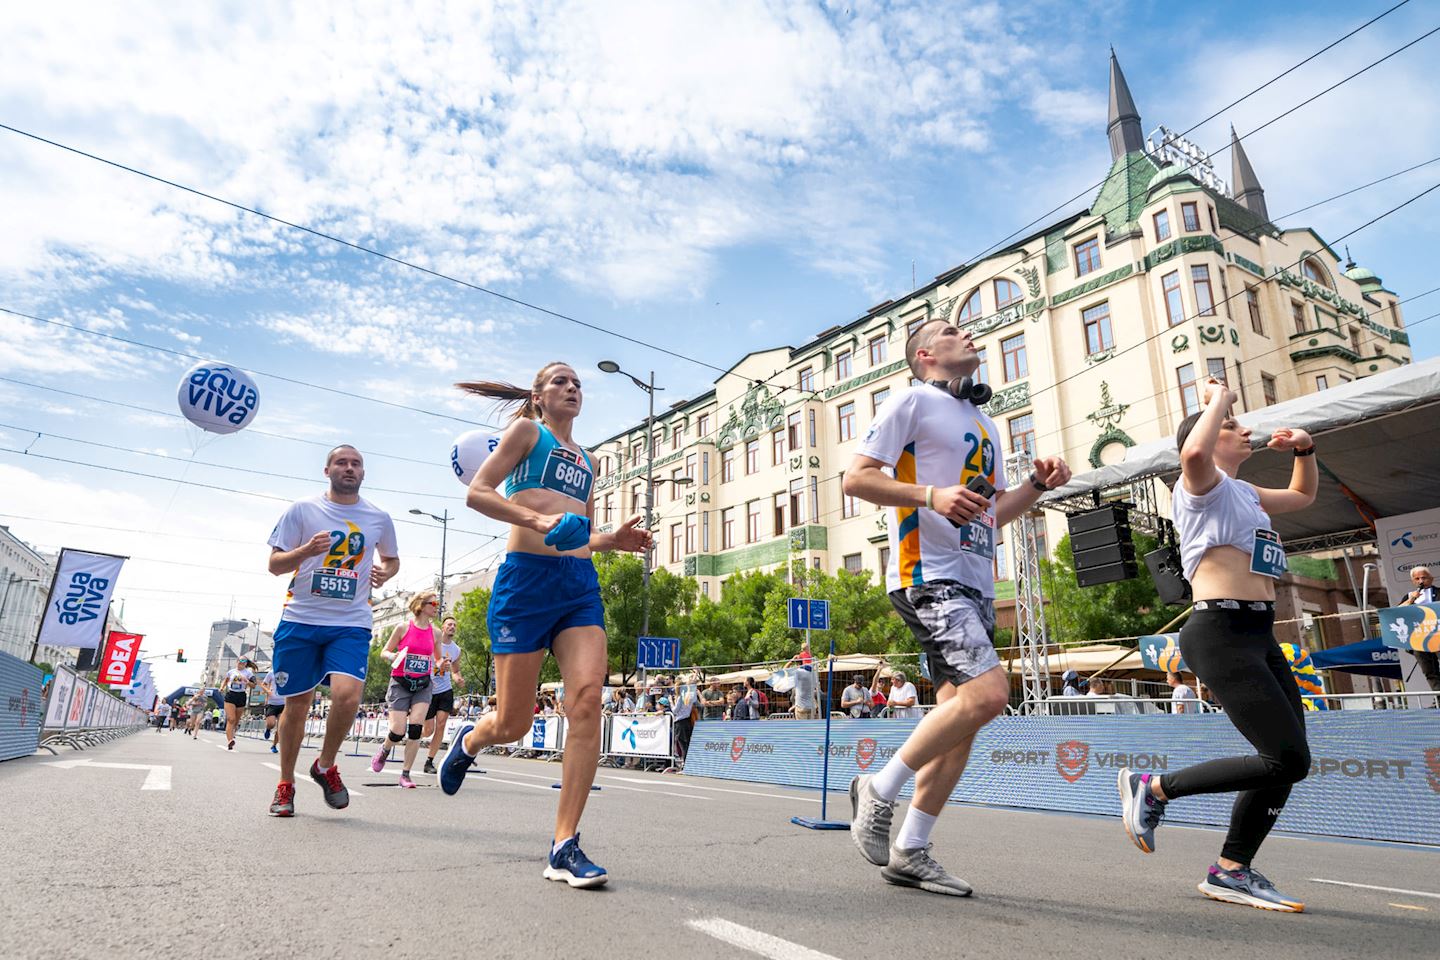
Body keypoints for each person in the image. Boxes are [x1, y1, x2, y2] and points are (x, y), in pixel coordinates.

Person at [844, 316, 1071, 897]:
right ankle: (879, 786)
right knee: (991, 694)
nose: (968, 334)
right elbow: (855, 479)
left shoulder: (984, 422)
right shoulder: (910, 401)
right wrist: (930, 495)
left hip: (974, 582)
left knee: (964, 720)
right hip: (928, 574)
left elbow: (990, 512)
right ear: (924, 354)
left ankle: (911, 851)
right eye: (952, 330)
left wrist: (1038, 487)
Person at [437, 363, 651, 888]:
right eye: (560, 381)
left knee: (585, 701)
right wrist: (535, 521)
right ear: (538, 396)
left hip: (578, 585)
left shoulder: (588, 459)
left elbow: (584, 532)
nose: (572, 388)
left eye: (577, 383)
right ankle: (470, 740)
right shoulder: (526, 433)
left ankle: (563, 845)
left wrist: (612, 540)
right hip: (524, 583)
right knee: (510, 723)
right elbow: (479, 493)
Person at [1117, 376, 1315, 913]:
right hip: (1220, 631)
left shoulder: (1247, 493)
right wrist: (1216, 400)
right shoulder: (1198, 487)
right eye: (1233, 426)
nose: (1244, 430)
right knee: (1286, 758)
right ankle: (1154, 787)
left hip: (1258, 634)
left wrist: (1305, 450)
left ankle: (1232, 870)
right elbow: (1194, 449)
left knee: (1290, 758)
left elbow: (1302, 494)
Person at [265, 444, 400, 818]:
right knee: (297, 704)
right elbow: (275, 565)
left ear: (363, 473)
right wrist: (306, 550)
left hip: (351, 621)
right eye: (341, 462)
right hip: (301, 619)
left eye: (356, 463)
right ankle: (286, 784)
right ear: (327, 470)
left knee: (347, 697)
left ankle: (325, 766)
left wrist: (386, 572)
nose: (349, 468)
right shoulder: (302, 510)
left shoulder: (377, 517)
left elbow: (392, 558)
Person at [372, 592, 438, 788]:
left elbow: (438, 658)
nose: (437, 606)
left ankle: (406, 774)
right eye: (433, 603)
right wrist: (393, 657)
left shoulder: (436, 633)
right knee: (398, 731)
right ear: (421, 605)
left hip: (423, 684)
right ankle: (385, 749)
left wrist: (443, 663)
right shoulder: (403, 627)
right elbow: (384, 651)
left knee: (416, 727)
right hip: (401, 682)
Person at [423, 616, 463, 775]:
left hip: (445, 690)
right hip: (428, 689)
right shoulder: (433, 644)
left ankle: (429, 761)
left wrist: (458, 678)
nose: (452, 627)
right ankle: (413, 734)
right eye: (449, 624)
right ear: (443, 627)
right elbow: (426, 665)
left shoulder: (456, 650)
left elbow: (455, 670)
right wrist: (438, 668)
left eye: (454, 624)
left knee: (441, 725)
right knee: (428, 730)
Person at [1398, 565, 1440, 692]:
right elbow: (1397, 612)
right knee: (1430, 671)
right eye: (1417, 579)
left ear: (1431, 579)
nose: (1421, 581)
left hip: (1438, 634)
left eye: (1424, 578)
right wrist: (1412, 599)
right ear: (1413, 581)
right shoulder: (1409, 596)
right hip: (1419, 639)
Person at [221, 659, 256, 749]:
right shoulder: (231, 672)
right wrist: (221, 687)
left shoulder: (248, 673)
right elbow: (226, 680)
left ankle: (233, 732)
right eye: (239, 660)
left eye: (243, 661)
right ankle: (230, 740)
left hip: (241, 696)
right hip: (231, 695)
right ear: (237, 662)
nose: (241, 662)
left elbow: (254, 685)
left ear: (246, 663)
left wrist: (247, 681)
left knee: (236, 721)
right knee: (231, 719)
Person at [259, 670, 286, 753]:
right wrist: (268, 691)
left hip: (284, 703)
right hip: (272, 703)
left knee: (281, 727)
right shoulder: (271, 672)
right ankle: (268, 728)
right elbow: (263, 685)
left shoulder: (290, 670)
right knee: (271, 724)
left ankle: (274, 745)